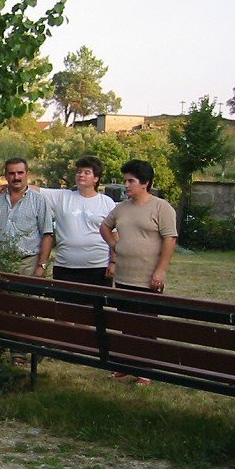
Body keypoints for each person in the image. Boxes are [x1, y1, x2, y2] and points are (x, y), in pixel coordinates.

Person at [100, 159, 178, 386]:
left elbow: (170, 239)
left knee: (146, 325)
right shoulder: (121, 208)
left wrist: (160, 270)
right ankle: (125, 364)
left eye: (131, 181)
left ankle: (145, 370)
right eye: (125, 180)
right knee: (126, 323)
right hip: (124, 276)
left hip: (148, 279)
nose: (126, 185)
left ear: (145, 183)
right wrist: (114, 245)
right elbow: (105, 227)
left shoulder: (161, 207)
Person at [29, 156, 116, 285]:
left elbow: (115, 235)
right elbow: (33, 189)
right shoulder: (62, 197)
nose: (81, 175)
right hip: (65, 267)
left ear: (96, 178)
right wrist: (9, 185)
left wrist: (113, 262)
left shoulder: (106, 202)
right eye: (79, 172)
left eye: (87, 172)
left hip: (98, 268)